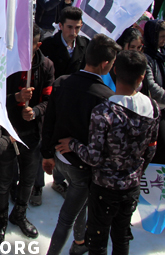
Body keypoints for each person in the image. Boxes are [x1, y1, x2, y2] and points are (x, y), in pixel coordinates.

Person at [56, 50, 159, 255]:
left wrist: (73, 144)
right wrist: (135, 170)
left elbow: (93, 156)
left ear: (113, 72)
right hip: (131, 186)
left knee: (97, 239)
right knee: (122, 236)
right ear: (141, 77)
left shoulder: (104, 112)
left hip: (104, 188)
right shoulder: (152, 107)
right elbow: (151, 148)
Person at [42, 34, 121, 255]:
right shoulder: (107, 97)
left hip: (60, 157)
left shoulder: (62, 82)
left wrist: (47, 154)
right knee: (66, 217)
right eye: (112, 63)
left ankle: (79, 242)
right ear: (105, 64)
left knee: (79, 206)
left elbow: (49, 121)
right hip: (82, 166)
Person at [0, 24, 54, 244]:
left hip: (32, 135)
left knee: (28, 179)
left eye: (30, 45)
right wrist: (16, 98)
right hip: (9, 132)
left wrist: (35, 111)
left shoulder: (46, 66)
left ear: (38, 45)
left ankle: (19, 214)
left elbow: (48, 100)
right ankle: (1, 220)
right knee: (4, 180)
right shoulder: (7, 63)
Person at [142, 20, 165, 164]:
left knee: (162, 148)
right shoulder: (146, 56)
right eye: (161, 36)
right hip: (153, 108)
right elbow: (150, 83)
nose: (164, 39)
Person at [40, 7, 88, 78]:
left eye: (77, 28)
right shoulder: (47, 45)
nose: (73, 32)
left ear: (81, 26)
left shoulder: (86, 44)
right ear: (60, 26)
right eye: (69, 27)